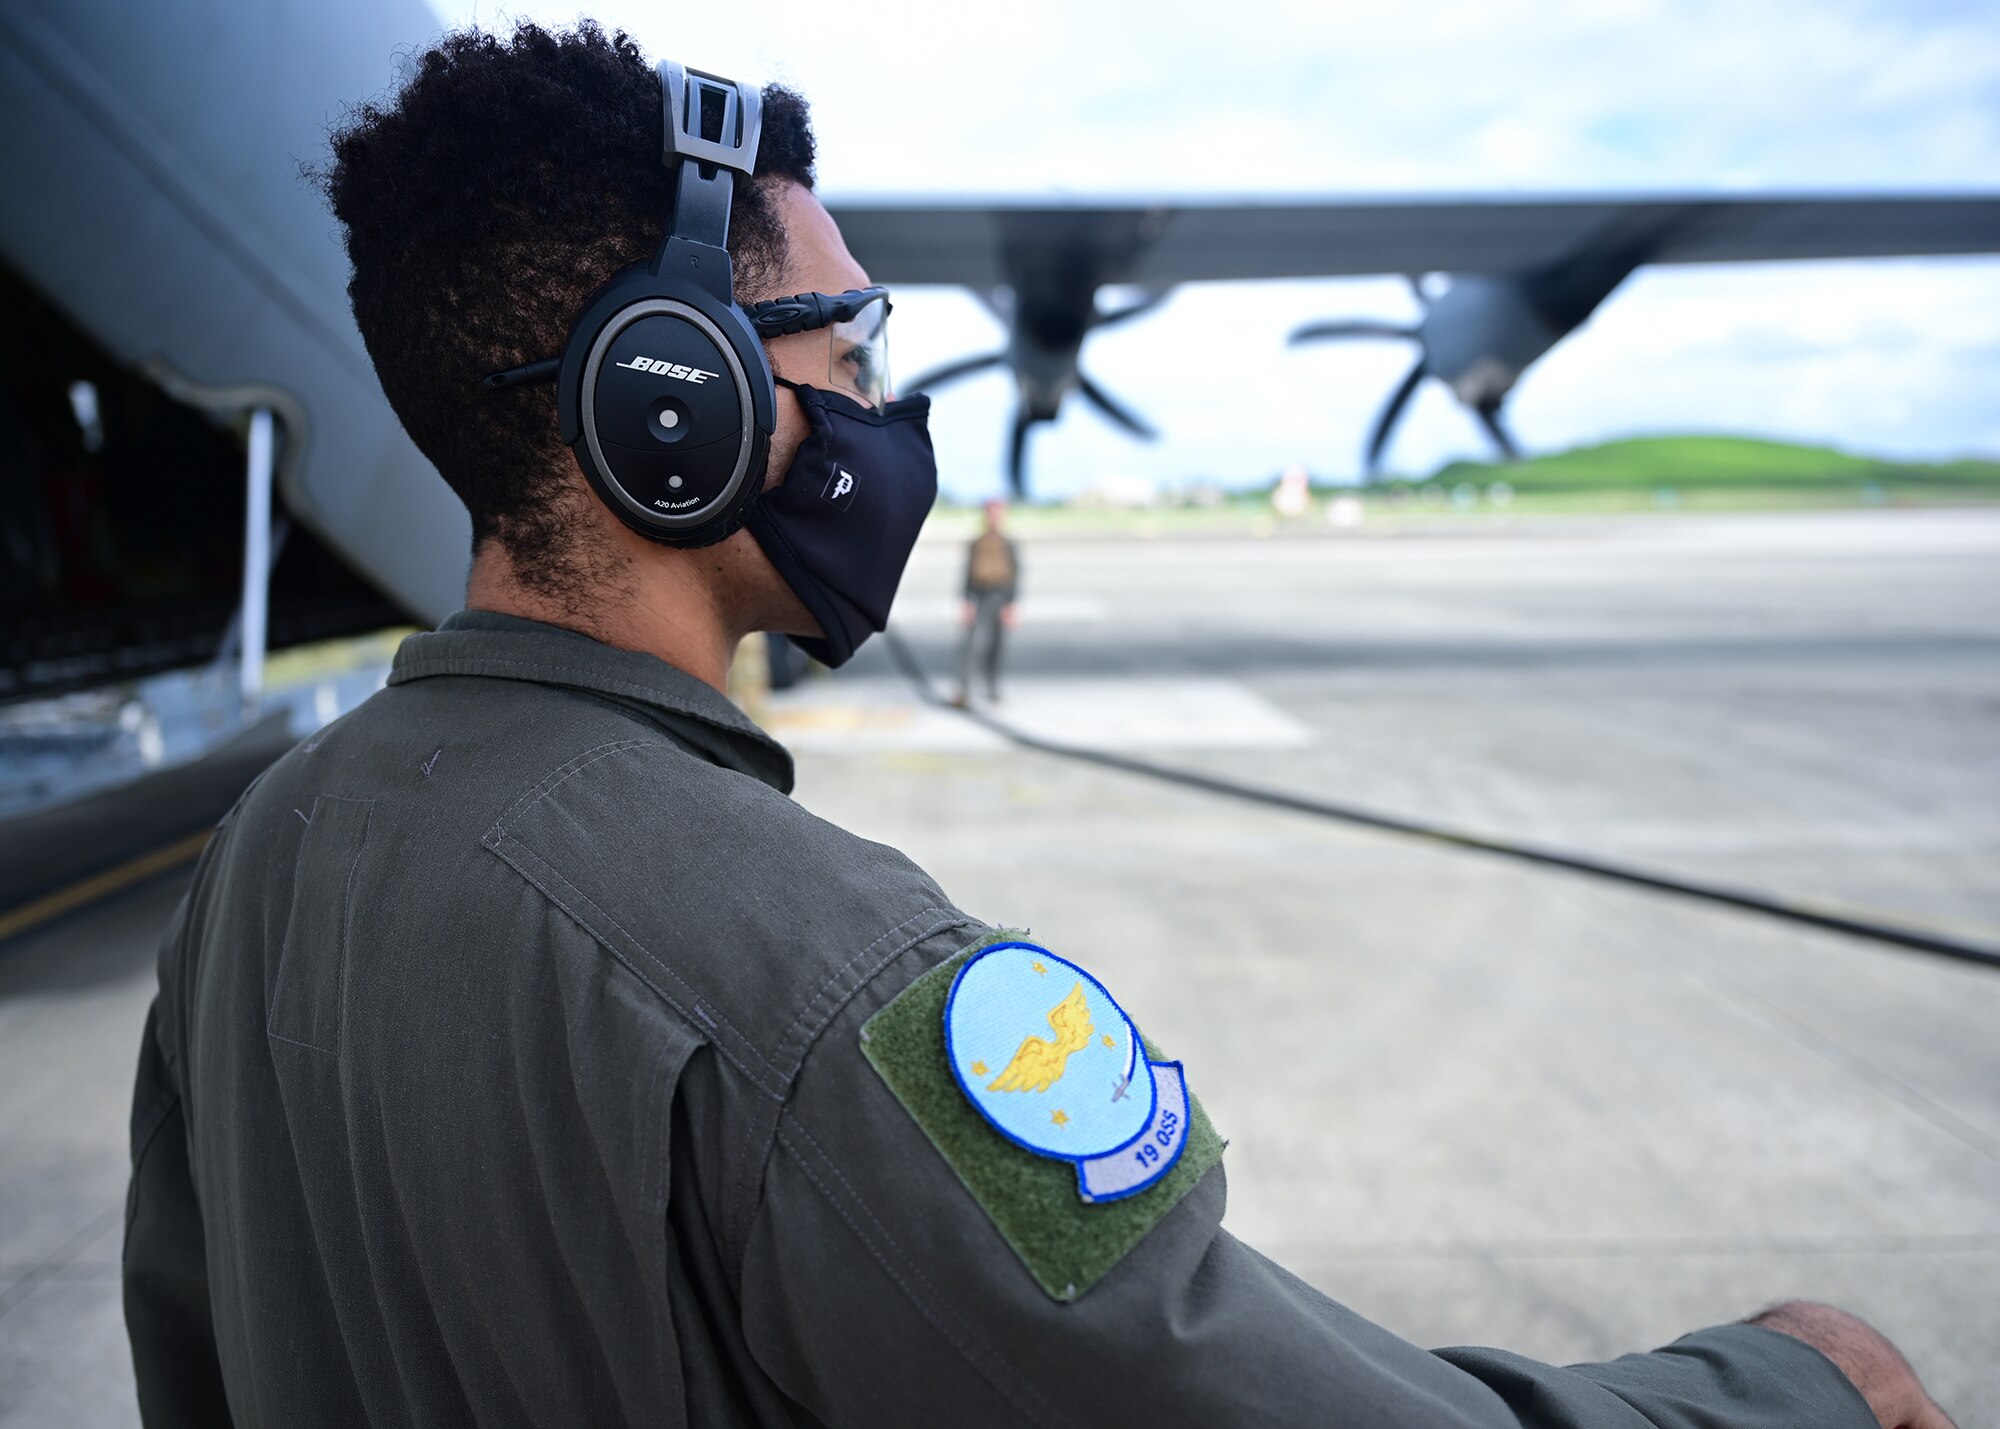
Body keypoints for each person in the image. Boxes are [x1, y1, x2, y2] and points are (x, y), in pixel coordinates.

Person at [121, 23, 1955, 1429]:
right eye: (852, 357)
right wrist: (1783, 1379)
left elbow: (190, 1356)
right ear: (664, 407)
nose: (892, 422)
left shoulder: (271, 854)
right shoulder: (817, 977)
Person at [953, 498, 1018, 707]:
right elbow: (967, 572)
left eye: (997, 512)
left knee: (997, 644)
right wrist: (966, 600)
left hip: (999, 594)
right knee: (971, 644)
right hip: (979, 594)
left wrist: (1011, 603)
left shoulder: (1008, 543)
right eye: (990, 512)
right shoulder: (977, 543)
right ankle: (964, 689)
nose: (994, 517)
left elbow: (1015, 574)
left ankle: (993, 686)